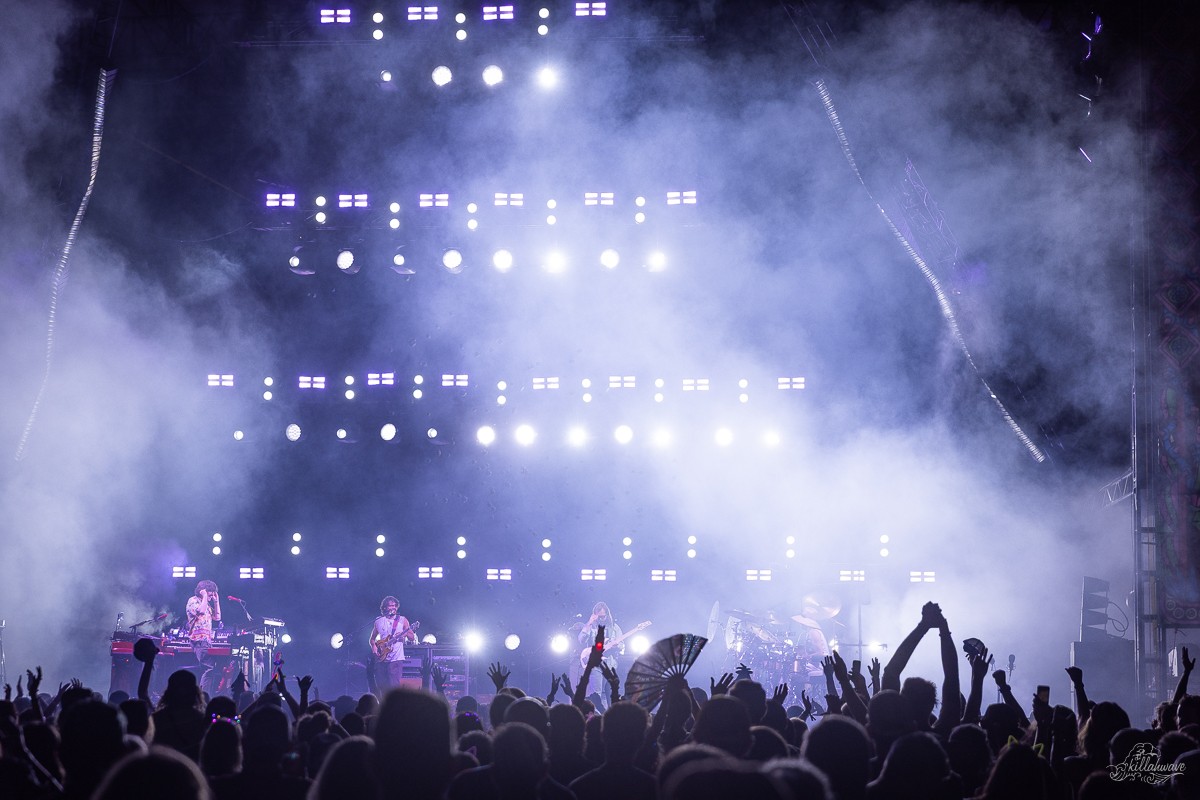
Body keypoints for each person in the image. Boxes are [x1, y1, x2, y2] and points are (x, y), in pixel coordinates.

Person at [575, 602, 624, 708]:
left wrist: (617, 646)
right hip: (595, 664)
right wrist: (589, 623)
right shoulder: (591, 626)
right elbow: (581, 639)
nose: (601, 619)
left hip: (610, 665)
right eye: (599, 617)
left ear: (607, 614)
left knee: (611, 695)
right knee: (597, 694)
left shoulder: (614, 628)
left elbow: (622, 645)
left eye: (603, 616)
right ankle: (597, 716)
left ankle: (611, 715)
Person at [369, 596, 418, 691]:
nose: (394, 608)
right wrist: (374, 647)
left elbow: (412, 638)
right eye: (391, 606)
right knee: (382, 688)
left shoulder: (402, 620)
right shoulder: (378, 621)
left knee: (394, 688)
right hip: (381, 658)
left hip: (396, 659)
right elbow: (372, 639)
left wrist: (405, 633)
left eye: (395, 606)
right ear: (384, 608)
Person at [186, 580, 222, 694]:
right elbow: (201, 611)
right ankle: (204, 697)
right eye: (210, 593)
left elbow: (217, 617)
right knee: (209, 668)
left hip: (206, 640)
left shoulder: (206, 604)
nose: (212, 596)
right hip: (198, 640)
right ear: (202, 591)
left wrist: (216, 602)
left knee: (211, 668)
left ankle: (204, 695)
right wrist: (205, 596)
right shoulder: (193, 601)